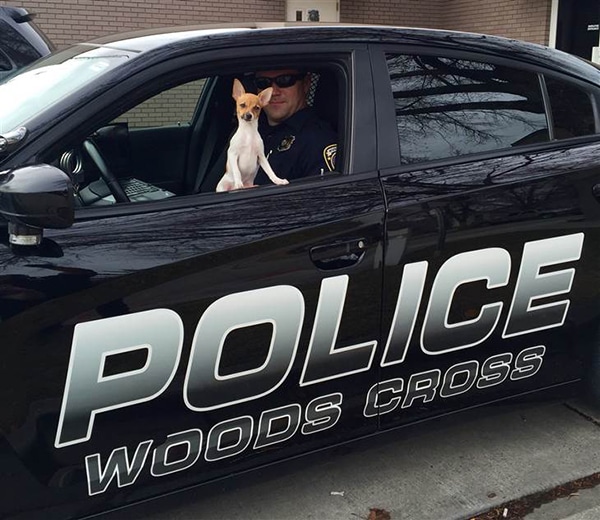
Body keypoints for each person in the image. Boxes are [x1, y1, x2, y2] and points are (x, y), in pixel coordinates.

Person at [252, 69, 337, 185]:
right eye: (263, 83)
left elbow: (320, 199)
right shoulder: (250, 129)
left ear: (306, 84)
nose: (273, 92)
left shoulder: (316, 141)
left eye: (284, 80)